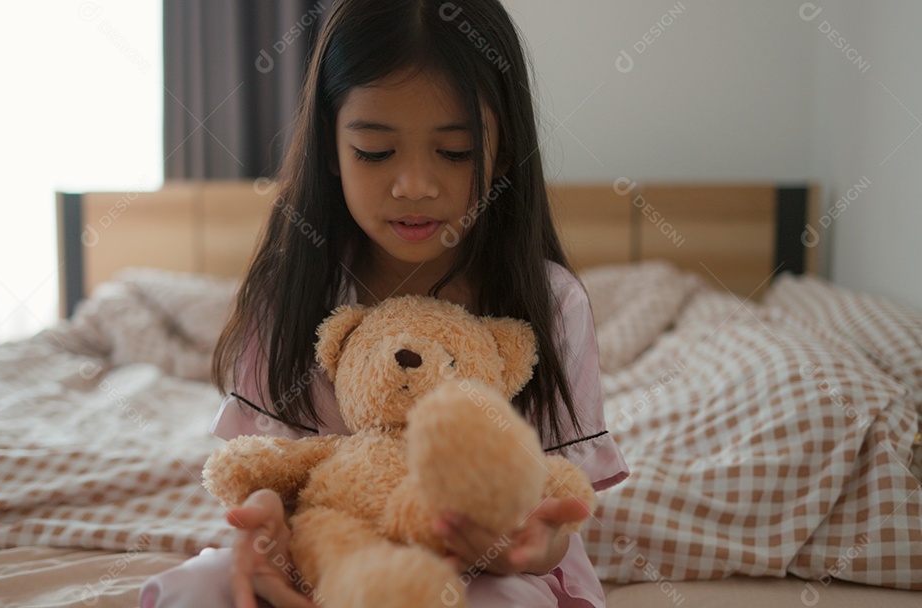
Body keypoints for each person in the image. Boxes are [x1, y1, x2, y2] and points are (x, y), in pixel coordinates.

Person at [140, 0, 628, 606]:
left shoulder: (551, 304)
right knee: (200, 589)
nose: (415, 186)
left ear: (502, 152)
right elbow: (275, 477)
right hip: (323, 551)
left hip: (488, 571)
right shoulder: (288, 294)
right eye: (375, 152)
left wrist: (524, 544)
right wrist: (263, 520)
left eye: (455, 153)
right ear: (330, 148)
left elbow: (559, 513)